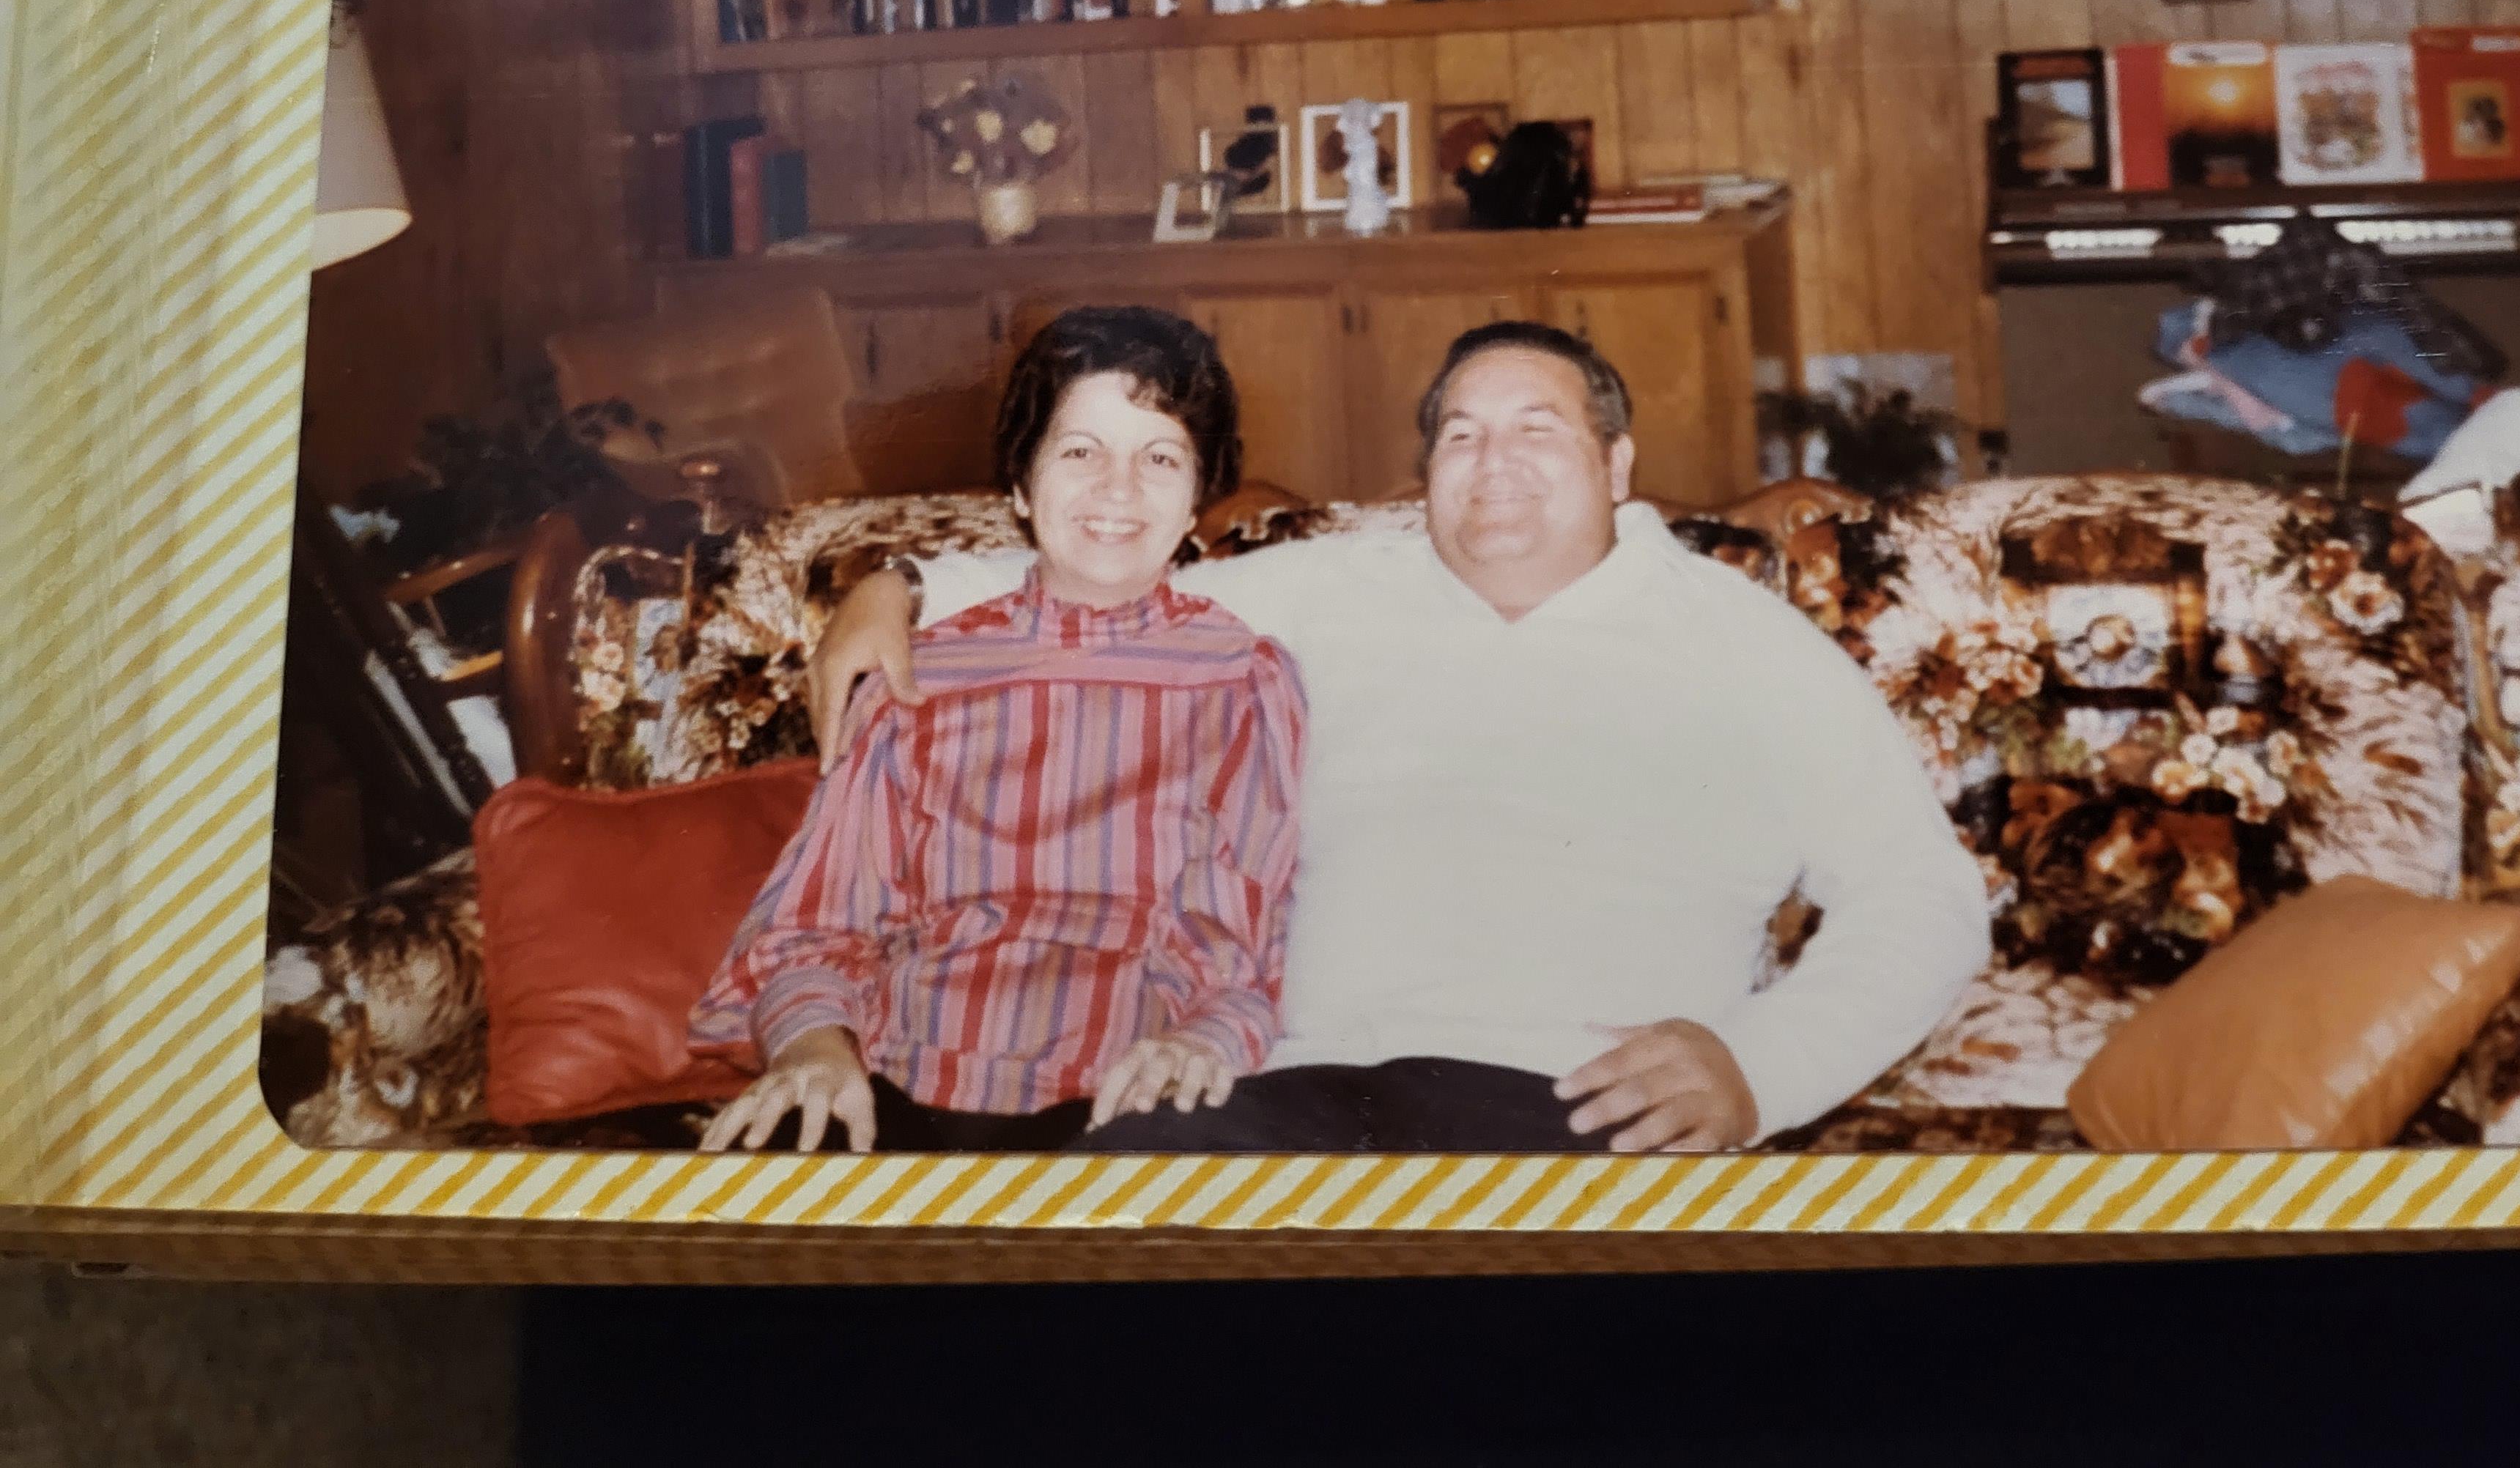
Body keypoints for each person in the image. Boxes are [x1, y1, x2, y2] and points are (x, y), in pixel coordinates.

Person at [810, 322, 1985, 1155]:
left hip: (1569, 1110)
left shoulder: (1746, 643)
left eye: (1539, 428)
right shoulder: (1326, 593)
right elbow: (1100, 586)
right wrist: (901, 581)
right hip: (1275, 1097)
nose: (1495, 463)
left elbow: (1923, 899)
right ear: (1424, 474)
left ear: (1618, 467)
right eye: (1461, 437)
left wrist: (1759, 1072)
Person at [690, 307, 1306, 1156]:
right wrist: (816, 1050)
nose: (1117, 490)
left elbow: (1240, 948)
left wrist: (1199, 1043)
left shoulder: (1241, 680)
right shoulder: (917, 674)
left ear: (1199, 493)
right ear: (1020, 485)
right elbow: (821, 928)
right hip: (901, 1089)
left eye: (1159, 458)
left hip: (1124, 1107)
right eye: (1080, 451)